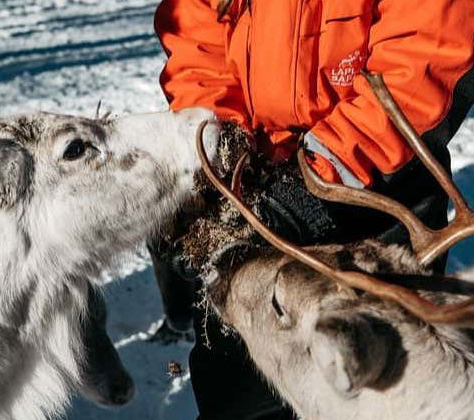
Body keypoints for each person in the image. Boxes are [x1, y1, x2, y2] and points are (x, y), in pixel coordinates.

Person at [151, 0, 474, 418]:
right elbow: (197, 40)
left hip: (378, 188)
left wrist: (318, 180)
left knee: (385, 380)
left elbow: (428, 44)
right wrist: (219, 156)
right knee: (237, 390)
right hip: (252, 181)